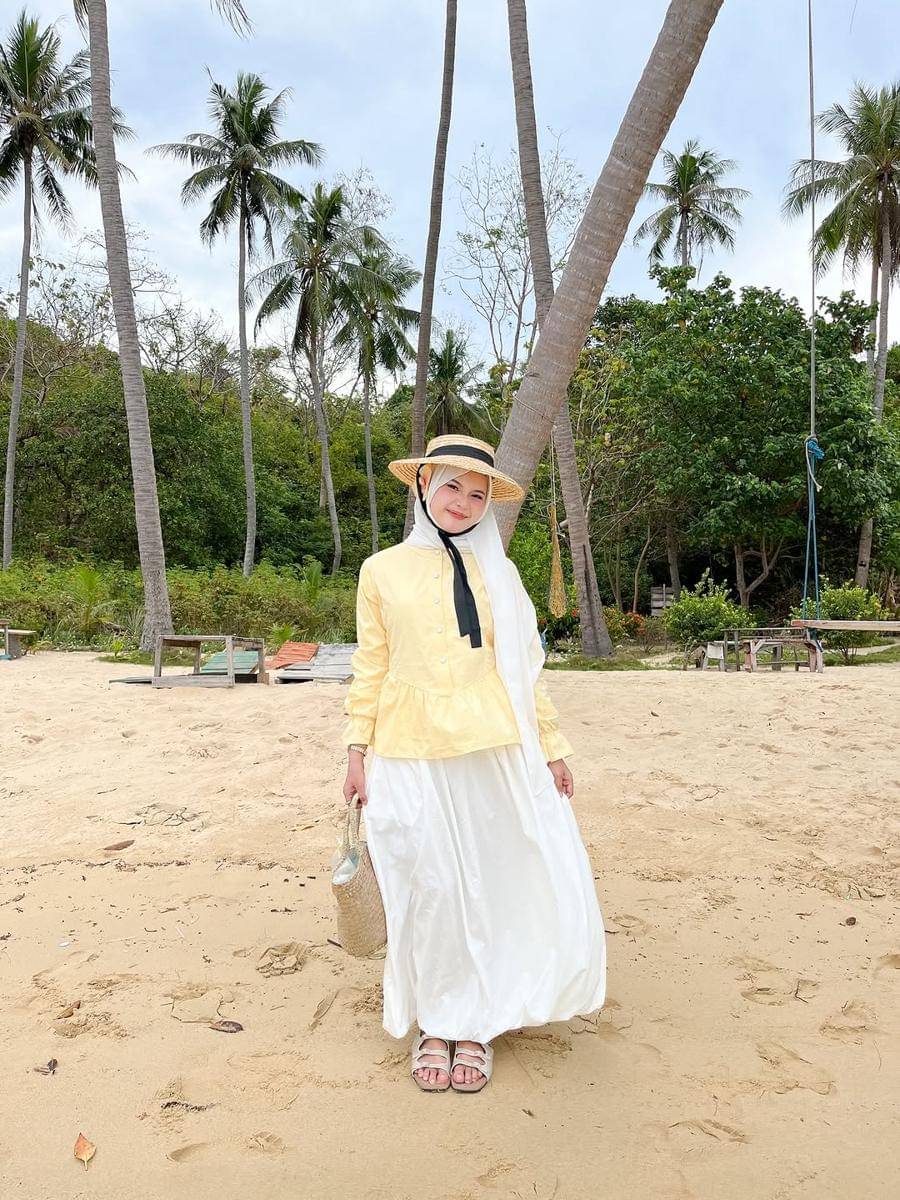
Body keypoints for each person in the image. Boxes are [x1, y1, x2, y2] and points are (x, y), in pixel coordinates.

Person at [341, 433, 606, 1094]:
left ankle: (478, 1023)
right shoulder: (381, 570)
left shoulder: (502, 575)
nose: (462, 501)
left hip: (491, 748)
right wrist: (355, 752)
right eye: (451, 485)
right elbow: (369, 667)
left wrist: (551, 748)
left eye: (477, 491)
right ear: (423, 485)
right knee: (424, 886)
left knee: (485, 883)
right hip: (405, 748)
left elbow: (525, 672)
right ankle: (437, 1022)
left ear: (489, 503)